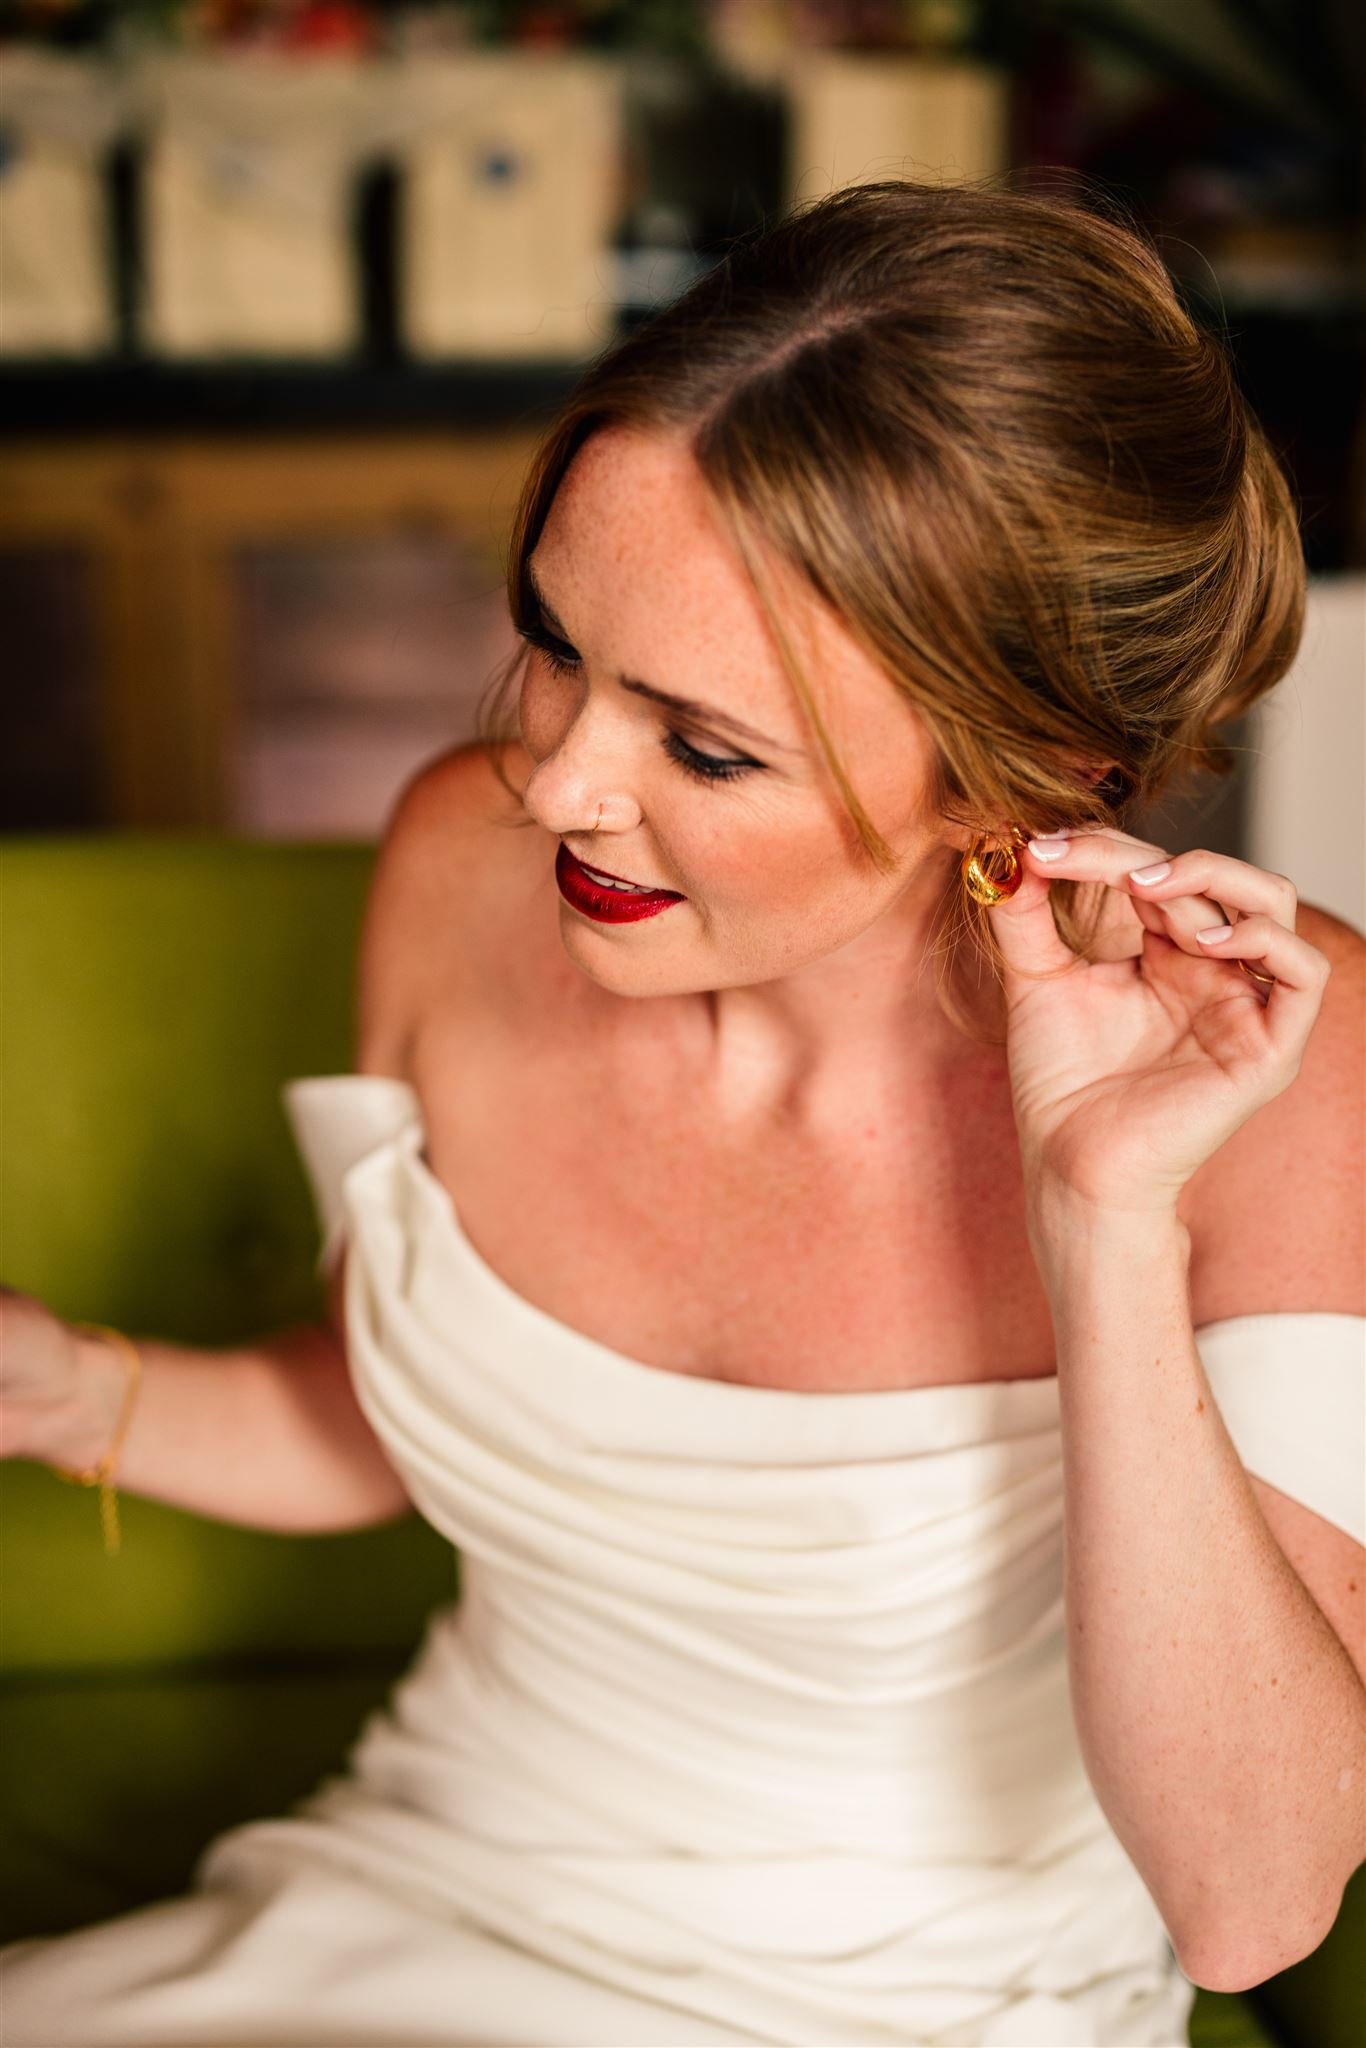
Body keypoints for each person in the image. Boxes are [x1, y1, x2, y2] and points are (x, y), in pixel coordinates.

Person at [1, 173, 1363, 2048]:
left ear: (1024, 769)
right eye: (554, 644)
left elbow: (1249, 1901)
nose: (553, 784)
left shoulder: (1280, 1067)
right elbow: (391, 1414)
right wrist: (69, 1389)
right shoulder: (457, 863)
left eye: (702, 744)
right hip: (406, 1898)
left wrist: (1103, 1223)